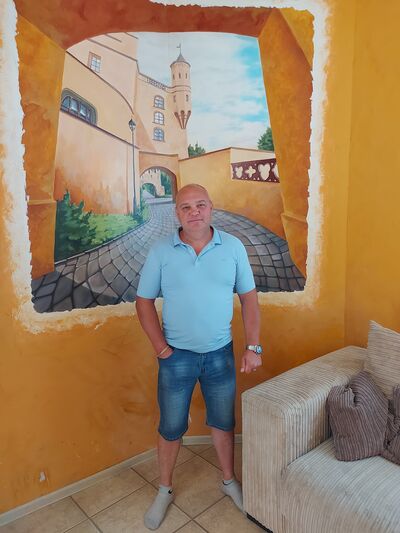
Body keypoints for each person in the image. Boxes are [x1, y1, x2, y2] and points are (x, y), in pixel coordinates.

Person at [136, 184, 262, 530]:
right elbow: (143, 302)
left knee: (223, 422)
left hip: (220, 355)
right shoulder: (161, 251)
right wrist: (161, 349)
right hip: (175, 358)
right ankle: (164, 489)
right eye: (186, 207)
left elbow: (249, 299)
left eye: (200, 205)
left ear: (211, 208)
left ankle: (228, 481)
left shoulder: (233, 247)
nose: (194, 212)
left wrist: (253, 346)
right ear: (176, 212)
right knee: (171, 426)